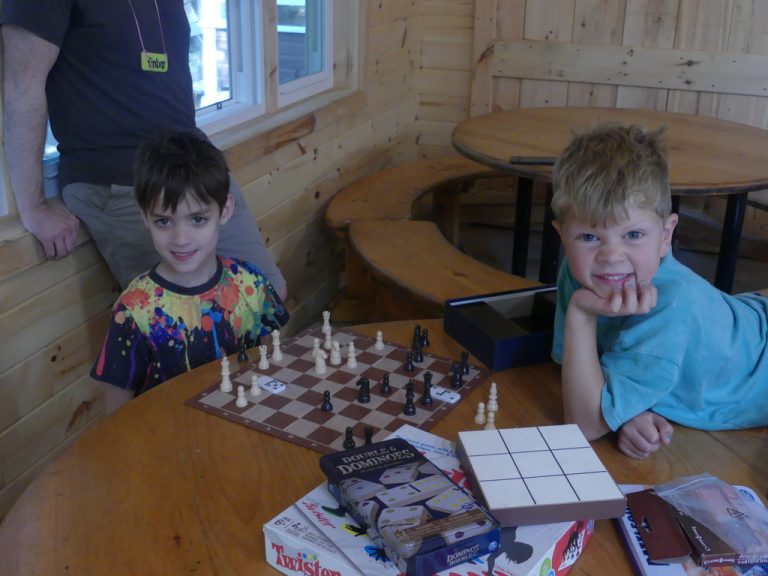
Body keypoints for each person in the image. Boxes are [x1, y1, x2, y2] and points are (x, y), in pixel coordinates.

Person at [1, 1, 287, 300]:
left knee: (268, 296)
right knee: (188, 323)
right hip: (125, 184)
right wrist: (33, 207)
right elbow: (21, 88)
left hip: (193, 166)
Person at [550, 123, 768, 459]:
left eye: (633, 235)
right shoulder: (578, 271)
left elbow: (585, 424)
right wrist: (626, 410)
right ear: (563, 236)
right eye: (589, 237)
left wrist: (580, 315)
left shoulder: (670, 303)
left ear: (666, 235)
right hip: (733, 323)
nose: (610, 257)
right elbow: (576, 367)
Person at [91, 130, 289, 413]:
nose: (180, 238)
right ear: (143, 216)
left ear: (225, 210)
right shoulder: (133, 311)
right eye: (163, 221)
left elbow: (271, 362)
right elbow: (116, 414)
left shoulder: (252, 284)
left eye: (197, 219)